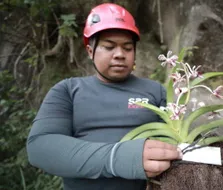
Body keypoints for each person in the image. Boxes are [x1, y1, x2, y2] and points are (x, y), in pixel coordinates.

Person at [26, 3, 182, 190]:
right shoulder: (68, 90)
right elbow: (40, 147)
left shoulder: (155, 91)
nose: (119, 55)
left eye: (127, 48)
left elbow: (178, 140)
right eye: (109, 47)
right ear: (90, 51)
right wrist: (117, 158)